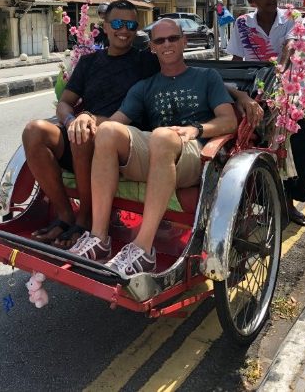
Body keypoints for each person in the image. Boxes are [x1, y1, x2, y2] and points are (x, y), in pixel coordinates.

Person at [69, 18, 238, 275]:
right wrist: (87, 117)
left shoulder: (206, 77)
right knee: (107, 131)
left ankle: (143, 249)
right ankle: (99, 237)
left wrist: (197, 129)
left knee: (161, 136)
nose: (167, 44)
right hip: (157, 153)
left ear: (184, 41)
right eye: (160, 40)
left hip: (195, 155)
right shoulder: (145, 86)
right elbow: (115, 123)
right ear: (153, 48)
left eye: (173, 38)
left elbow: (229, 120)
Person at [22, 0, 157, 248]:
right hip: (83, 131)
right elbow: (65, 102)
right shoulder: (89, 62)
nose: (124, 30)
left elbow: (182, 73)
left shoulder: (146, 62)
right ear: (105, 27)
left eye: (130, 24)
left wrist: (240, 95)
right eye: (117, 23)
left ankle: (85, 218)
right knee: (34, 131)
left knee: (85, 133)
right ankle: (65, 215)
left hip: (119, 139)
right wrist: (72, 119)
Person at [227, 0, 305, 226]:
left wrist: (280, 69)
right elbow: (237, 60)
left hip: (289, 92)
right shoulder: (242, 23)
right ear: (252, 0)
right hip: (257, 93)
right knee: (256, 146)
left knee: (295, 147)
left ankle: (291, 205)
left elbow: (289, 46)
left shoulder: (291, 18)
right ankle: (266, 204)